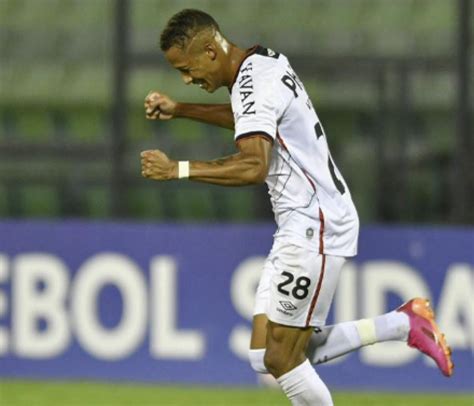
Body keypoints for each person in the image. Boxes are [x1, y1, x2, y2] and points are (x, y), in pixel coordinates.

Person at [141, 9, 453, 405]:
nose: (187, 78)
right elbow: (247, 116)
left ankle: (403, 324)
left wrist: (177, 170)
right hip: (299, 223)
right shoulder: (261, 63)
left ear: (210, 49)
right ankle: (402, 324)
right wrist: (181, 108)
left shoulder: (253, 81)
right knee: (262, 355)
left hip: (315, 223)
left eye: (187, 69)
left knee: (280, 357)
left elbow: (255, 165)